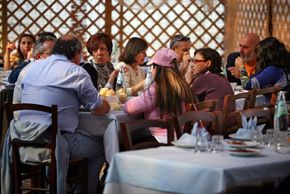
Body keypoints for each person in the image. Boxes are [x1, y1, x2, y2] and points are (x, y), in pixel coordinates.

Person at [11, 35, 110, 193]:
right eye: (81, 54)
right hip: (53, 141)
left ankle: (61, 185)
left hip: (23, 137)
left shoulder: (31, 68)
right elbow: (97, 108)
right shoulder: (76, 72)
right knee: (99, 147)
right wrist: (107, 103)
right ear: (75, 54)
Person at [124, 48, 195, 143]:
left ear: (156, 68)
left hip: (160, 139)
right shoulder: (182, 86)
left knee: (124, 140)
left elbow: (129, 108)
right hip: (180, 136)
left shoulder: (156, 90)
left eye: (152, 66)